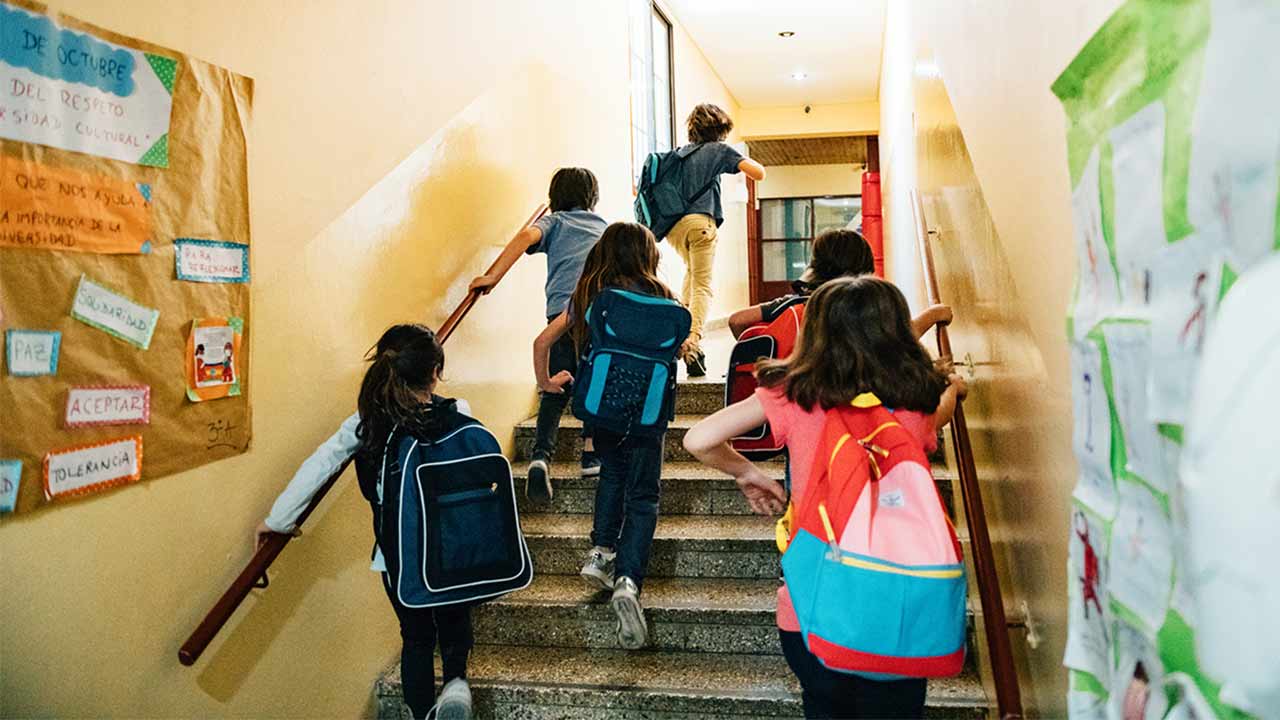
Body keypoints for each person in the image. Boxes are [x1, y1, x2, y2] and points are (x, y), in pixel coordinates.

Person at [682, 276, 967, 719]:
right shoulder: (918, 400)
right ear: (894, 332)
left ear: (817, 333)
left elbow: (699, 438)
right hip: (899, 605)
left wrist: (748, 473)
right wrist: (954, 392)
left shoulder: (795, 394)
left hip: (810, 607)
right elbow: (937, 419)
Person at [257, 324, 475, 720]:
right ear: (436, 371)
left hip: (397, 554)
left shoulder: (367, 422)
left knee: (416, 638)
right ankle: (456, 681)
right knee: (453, 621)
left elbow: (319, 465)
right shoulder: (457, 413)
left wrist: (278, 520)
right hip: (453, 548)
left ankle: (423, 710)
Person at [532, 222, 679, 650]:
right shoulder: (663, 297)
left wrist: (548, 383)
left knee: (612, 474)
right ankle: (629, 582)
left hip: (603, 408)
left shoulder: (590, 297)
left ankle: (600, 551)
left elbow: (543, 342)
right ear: (647, 256)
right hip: (649, 412)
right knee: (645, 497)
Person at [470, 168, 606, 501]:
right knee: (594, 382)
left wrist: (492, 276)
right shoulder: (602, 226)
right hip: (596, 313)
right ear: (592, 196)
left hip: (559, 315)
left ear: (555, 195)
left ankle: (541, 457)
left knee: (554, 387)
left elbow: (523, 238)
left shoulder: (554, 222)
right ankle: (591, 455)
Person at [665, 102, 766, 376]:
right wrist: (736, 156)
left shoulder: (678, 154)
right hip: (701, 224)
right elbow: (758, 172)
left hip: (673, 228)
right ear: (720, 129)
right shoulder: (718, 150)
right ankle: (692, 342)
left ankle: (680, 330)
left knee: (691, 276)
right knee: (703, 285)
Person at [728, 228, 953, 339]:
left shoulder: (798, 302)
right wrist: (934, 314)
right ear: (864, 263)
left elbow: (737, 321)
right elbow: (902, 338)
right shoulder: (868, 304)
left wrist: (771, 349)